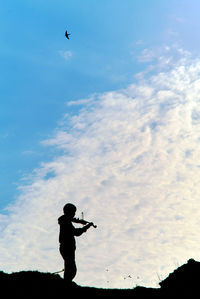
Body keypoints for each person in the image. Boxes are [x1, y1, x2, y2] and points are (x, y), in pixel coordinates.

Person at [58, 203, 94, 285]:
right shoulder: (65, 221)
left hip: (66, 247)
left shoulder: (64, 219)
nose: (74, 214)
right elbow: (76, 233)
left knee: (69, 267)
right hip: (67, 247)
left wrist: (79, 221)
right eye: (73, 212)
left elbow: (71, 219)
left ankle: (66, 283)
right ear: (69, 212)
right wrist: (87, 226)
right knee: (71, 269)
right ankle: (66, 284)